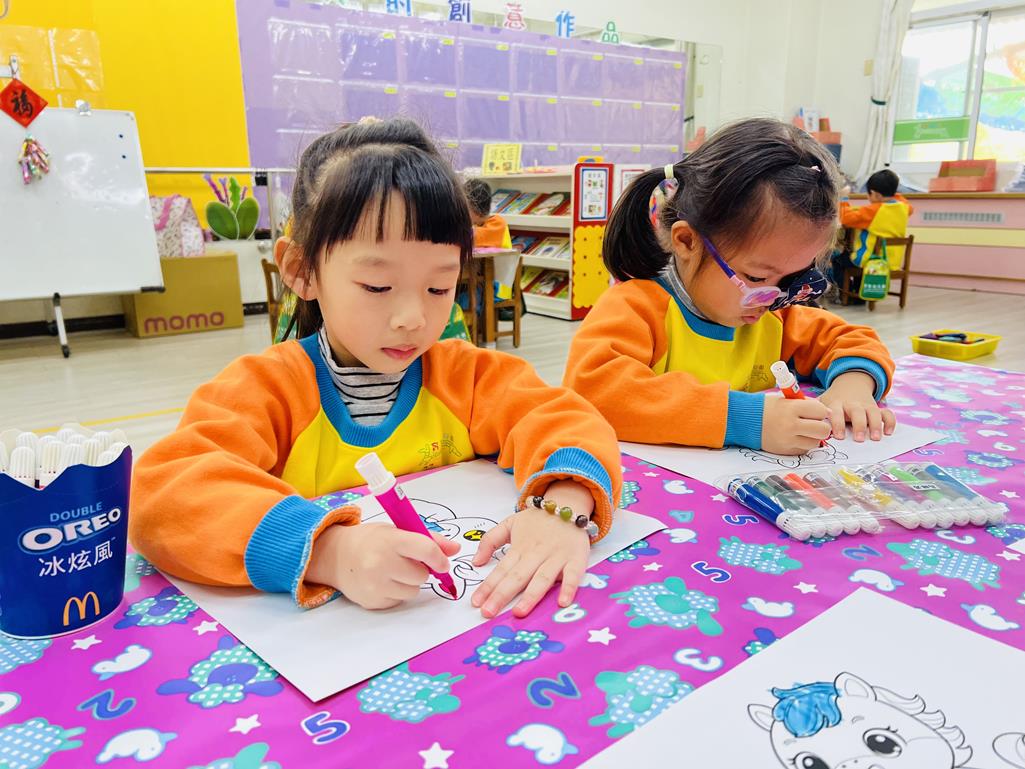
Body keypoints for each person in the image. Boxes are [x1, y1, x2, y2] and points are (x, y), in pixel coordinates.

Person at [131, 118, 621, 621]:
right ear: (301, 271)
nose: (413, 318)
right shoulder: (266, 389)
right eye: (377, 287)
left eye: (438, 288)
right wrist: (329, 552)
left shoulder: (468, 377)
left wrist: (560, 509)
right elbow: (167, 495)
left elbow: (568, 421)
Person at [563, 118, 896, 456]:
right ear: (687, 241)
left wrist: (853, 386)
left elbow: (853, 340)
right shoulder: (638, 308)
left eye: (792, 280)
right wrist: (746, 419)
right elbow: (595, 390)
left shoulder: (776, 316)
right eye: (756, 279)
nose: (773, 299)